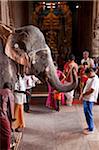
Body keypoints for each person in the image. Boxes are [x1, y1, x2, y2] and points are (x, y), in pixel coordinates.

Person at [79, 68, 99, 135]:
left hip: (90, 99)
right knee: (86, 112)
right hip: (86, 98)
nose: (86, 76)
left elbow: (92, 90)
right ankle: (89, 126)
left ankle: (91, 129)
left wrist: (83, 94)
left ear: (90, 72)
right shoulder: (91, 77)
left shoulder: (95, 79)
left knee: (89, 113)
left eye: (87, 74)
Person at [0, 82, 15, 150]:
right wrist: (11, 122)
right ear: (11, 88)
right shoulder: (9, 93)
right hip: (1, 115)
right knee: (7, 133)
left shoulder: (0, 91)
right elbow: (11, 111)